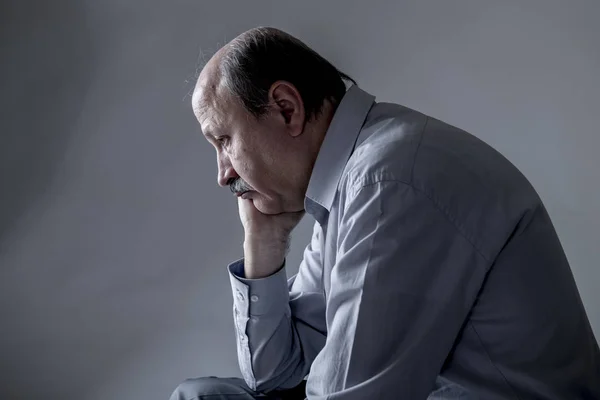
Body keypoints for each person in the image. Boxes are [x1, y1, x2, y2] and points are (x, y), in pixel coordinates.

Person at [170, 27, 600, 399]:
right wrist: (264, 244)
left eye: (224, 140)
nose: (224, 175)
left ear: (287, 108)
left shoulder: (387, 183)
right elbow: (276, 374)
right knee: (201, 396)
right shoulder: (352, 179)